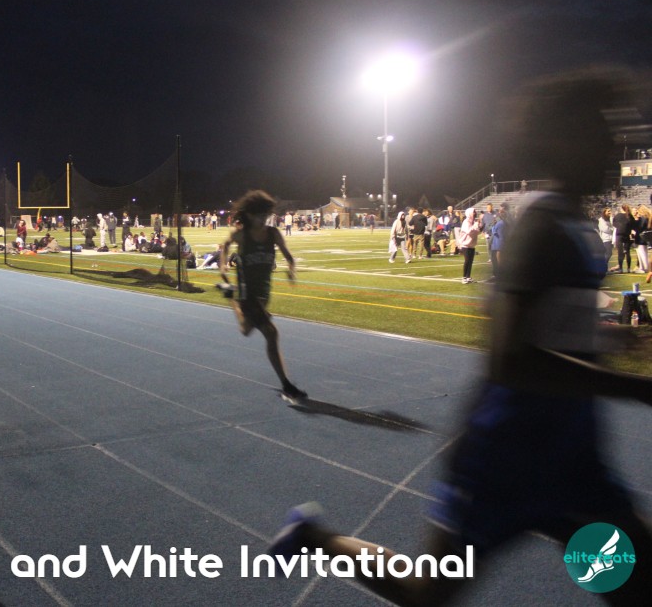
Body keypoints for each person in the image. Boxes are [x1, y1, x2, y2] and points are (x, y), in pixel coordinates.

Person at [269, 68, 652, 606]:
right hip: (504, 460)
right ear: (563, 141)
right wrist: (637, 388)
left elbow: (553, 330)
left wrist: (610, 340)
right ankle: (315, 537)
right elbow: (510, 361)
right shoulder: (541, 228)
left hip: (572, 460)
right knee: (426, 592)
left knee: (637, 585)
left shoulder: (575, 225)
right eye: (602, 129)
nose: (614, 143)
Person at [218, 190, 307, 403]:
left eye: (266, 215)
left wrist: (291, 269)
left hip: (264, 292)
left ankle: (230, 297)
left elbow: (288, 256)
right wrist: (223, 265)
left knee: (246, 330)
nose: (264, 219)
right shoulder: (242, 235)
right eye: (260, 215)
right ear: (249, 215)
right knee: (271, 332)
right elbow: (225, 245)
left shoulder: (273, 234)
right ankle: (287, 386)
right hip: (248, 292)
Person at [455, 207, 481, 283]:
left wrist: (480, 227)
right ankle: (464, 277)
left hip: (471, 244)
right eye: (473, 212)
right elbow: (469, 231)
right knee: (467, 260)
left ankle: (468, 277)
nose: (475, 213)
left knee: (470, 261)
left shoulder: (473, 222)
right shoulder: (466, 222)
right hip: (465, 244)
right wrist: (475, 225)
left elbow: (477, 232)